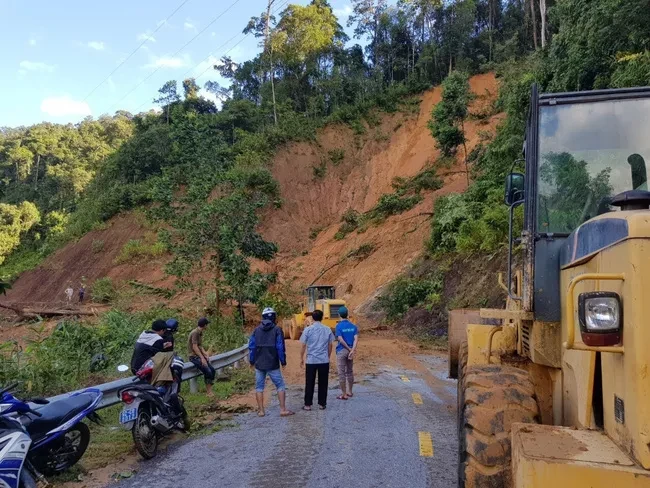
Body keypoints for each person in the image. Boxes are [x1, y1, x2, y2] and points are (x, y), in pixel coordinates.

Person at [248, 307, 294, 418]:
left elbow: (252, 347)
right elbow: (280, 347)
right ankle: (283, 409)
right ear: (274, 317)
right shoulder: (277, 330)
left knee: (259, 387)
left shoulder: (256, 330)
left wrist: (251, 361)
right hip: (273, 363)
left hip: (259, 364)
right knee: (280, 385)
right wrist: (283, 361)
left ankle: (261, 411)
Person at [300, 309, 336, 410]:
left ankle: (307, 404)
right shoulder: (327, 329)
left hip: (311, 360)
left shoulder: (308, 329)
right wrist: (328, 356)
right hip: (323, 360)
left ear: (312, 318)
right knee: (323, 382)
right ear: (322, 317)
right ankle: (322, 404)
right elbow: (330, 345)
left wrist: (301, 358)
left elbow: (303, 345)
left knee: (309, 382)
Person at [335, 306, 359, 400]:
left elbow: (340, 339)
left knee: (341, 373)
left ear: (339, 315)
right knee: (349, 371)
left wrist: (348, 349)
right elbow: (356, 339)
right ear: (347, 314)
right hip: (350, 352)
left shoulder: (338, 326)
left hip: (341, 351)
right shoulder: (353, 326)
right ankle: (350, 391)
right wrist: (352, 350)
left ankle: (344, 394)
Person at [188, 318, 216, 397]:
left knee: (212, 371)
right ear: (205, 325)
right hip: (193, 357)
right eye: (207, 324)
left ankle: (209, 390)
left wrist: (205, 354)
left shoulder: (200, 332)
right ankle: (208, 392)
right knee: (208, 371)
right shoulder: (195, 333)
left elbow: (200, 345)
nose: (208, 326)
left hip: (199, 356)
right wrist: (202, 358)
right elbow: (195, 347)